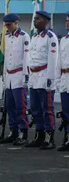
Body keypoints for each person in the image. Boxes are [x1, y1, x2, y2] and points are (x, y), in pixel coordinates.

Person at [26, 11, 58, 150]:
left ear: (45, 21)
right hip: (34, 76)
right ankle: (39, 135)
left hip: (45, 74)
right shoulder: (34, 36)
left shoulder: (50, 37)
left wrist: (50, 79)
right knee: (35, 108)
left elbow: (53, 60)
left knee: (47, 108)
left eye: (37, 19)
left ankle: (49, 137)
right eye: (34, 19)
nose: (34, 21)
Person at [0, 13, 30, 145]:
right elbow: (7, 57)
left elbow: (26, 58)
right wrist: (4, 75)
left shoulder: (24, 36)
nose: (7, 27)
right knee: (9, 106)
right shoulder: (6, 36)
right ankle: (13, 131)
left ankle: (23, 132)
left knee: (20, 106)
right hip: (9, 75)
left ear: (16, 23)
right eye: (6, 25)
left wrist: (25, 75)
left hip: (19, 75)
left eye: (9, 24)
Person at [56, 14, 69, 151]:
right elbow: (59, 61)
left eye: (68, 21)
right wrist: (58, 79)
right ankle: (67, 138)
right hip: (65, 77)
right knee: (66, 111)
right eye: (66, 21)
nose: (66, 23)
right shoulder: (64, 40)